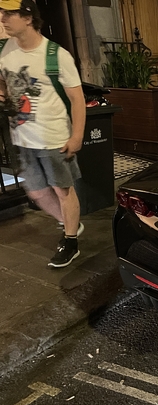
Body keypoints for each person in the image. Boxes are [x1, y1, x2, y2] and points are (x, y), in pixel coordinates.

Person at [0, 0, 87, 268]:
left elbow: (77, 99)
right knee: (36, 193)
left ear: (28, 18)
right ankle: (70, 221)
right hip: (23, 137)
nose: (3, 18)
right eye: (1, 13)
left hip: (54, 138)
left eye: (9, 13)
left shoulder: (55, 55)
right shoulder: (4, 50)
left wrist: (77, 137)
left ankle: (70, 241)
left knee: (63, 191)